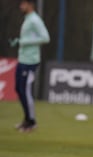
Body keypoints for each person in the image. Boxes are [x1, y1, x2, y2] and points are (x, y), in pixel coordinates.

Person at [10, 0, 50, 132]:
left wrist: (23, 42)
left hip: (31, 61)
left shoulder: (35, 20)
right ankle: (27, 118)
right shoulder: (27, 19)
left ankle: (31, 121)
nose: (21, 6)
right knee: (19, 89)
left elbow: (45, 38)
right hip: (23, 59)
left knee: (25, 90)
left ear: (30, 5)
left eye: (23, 4)